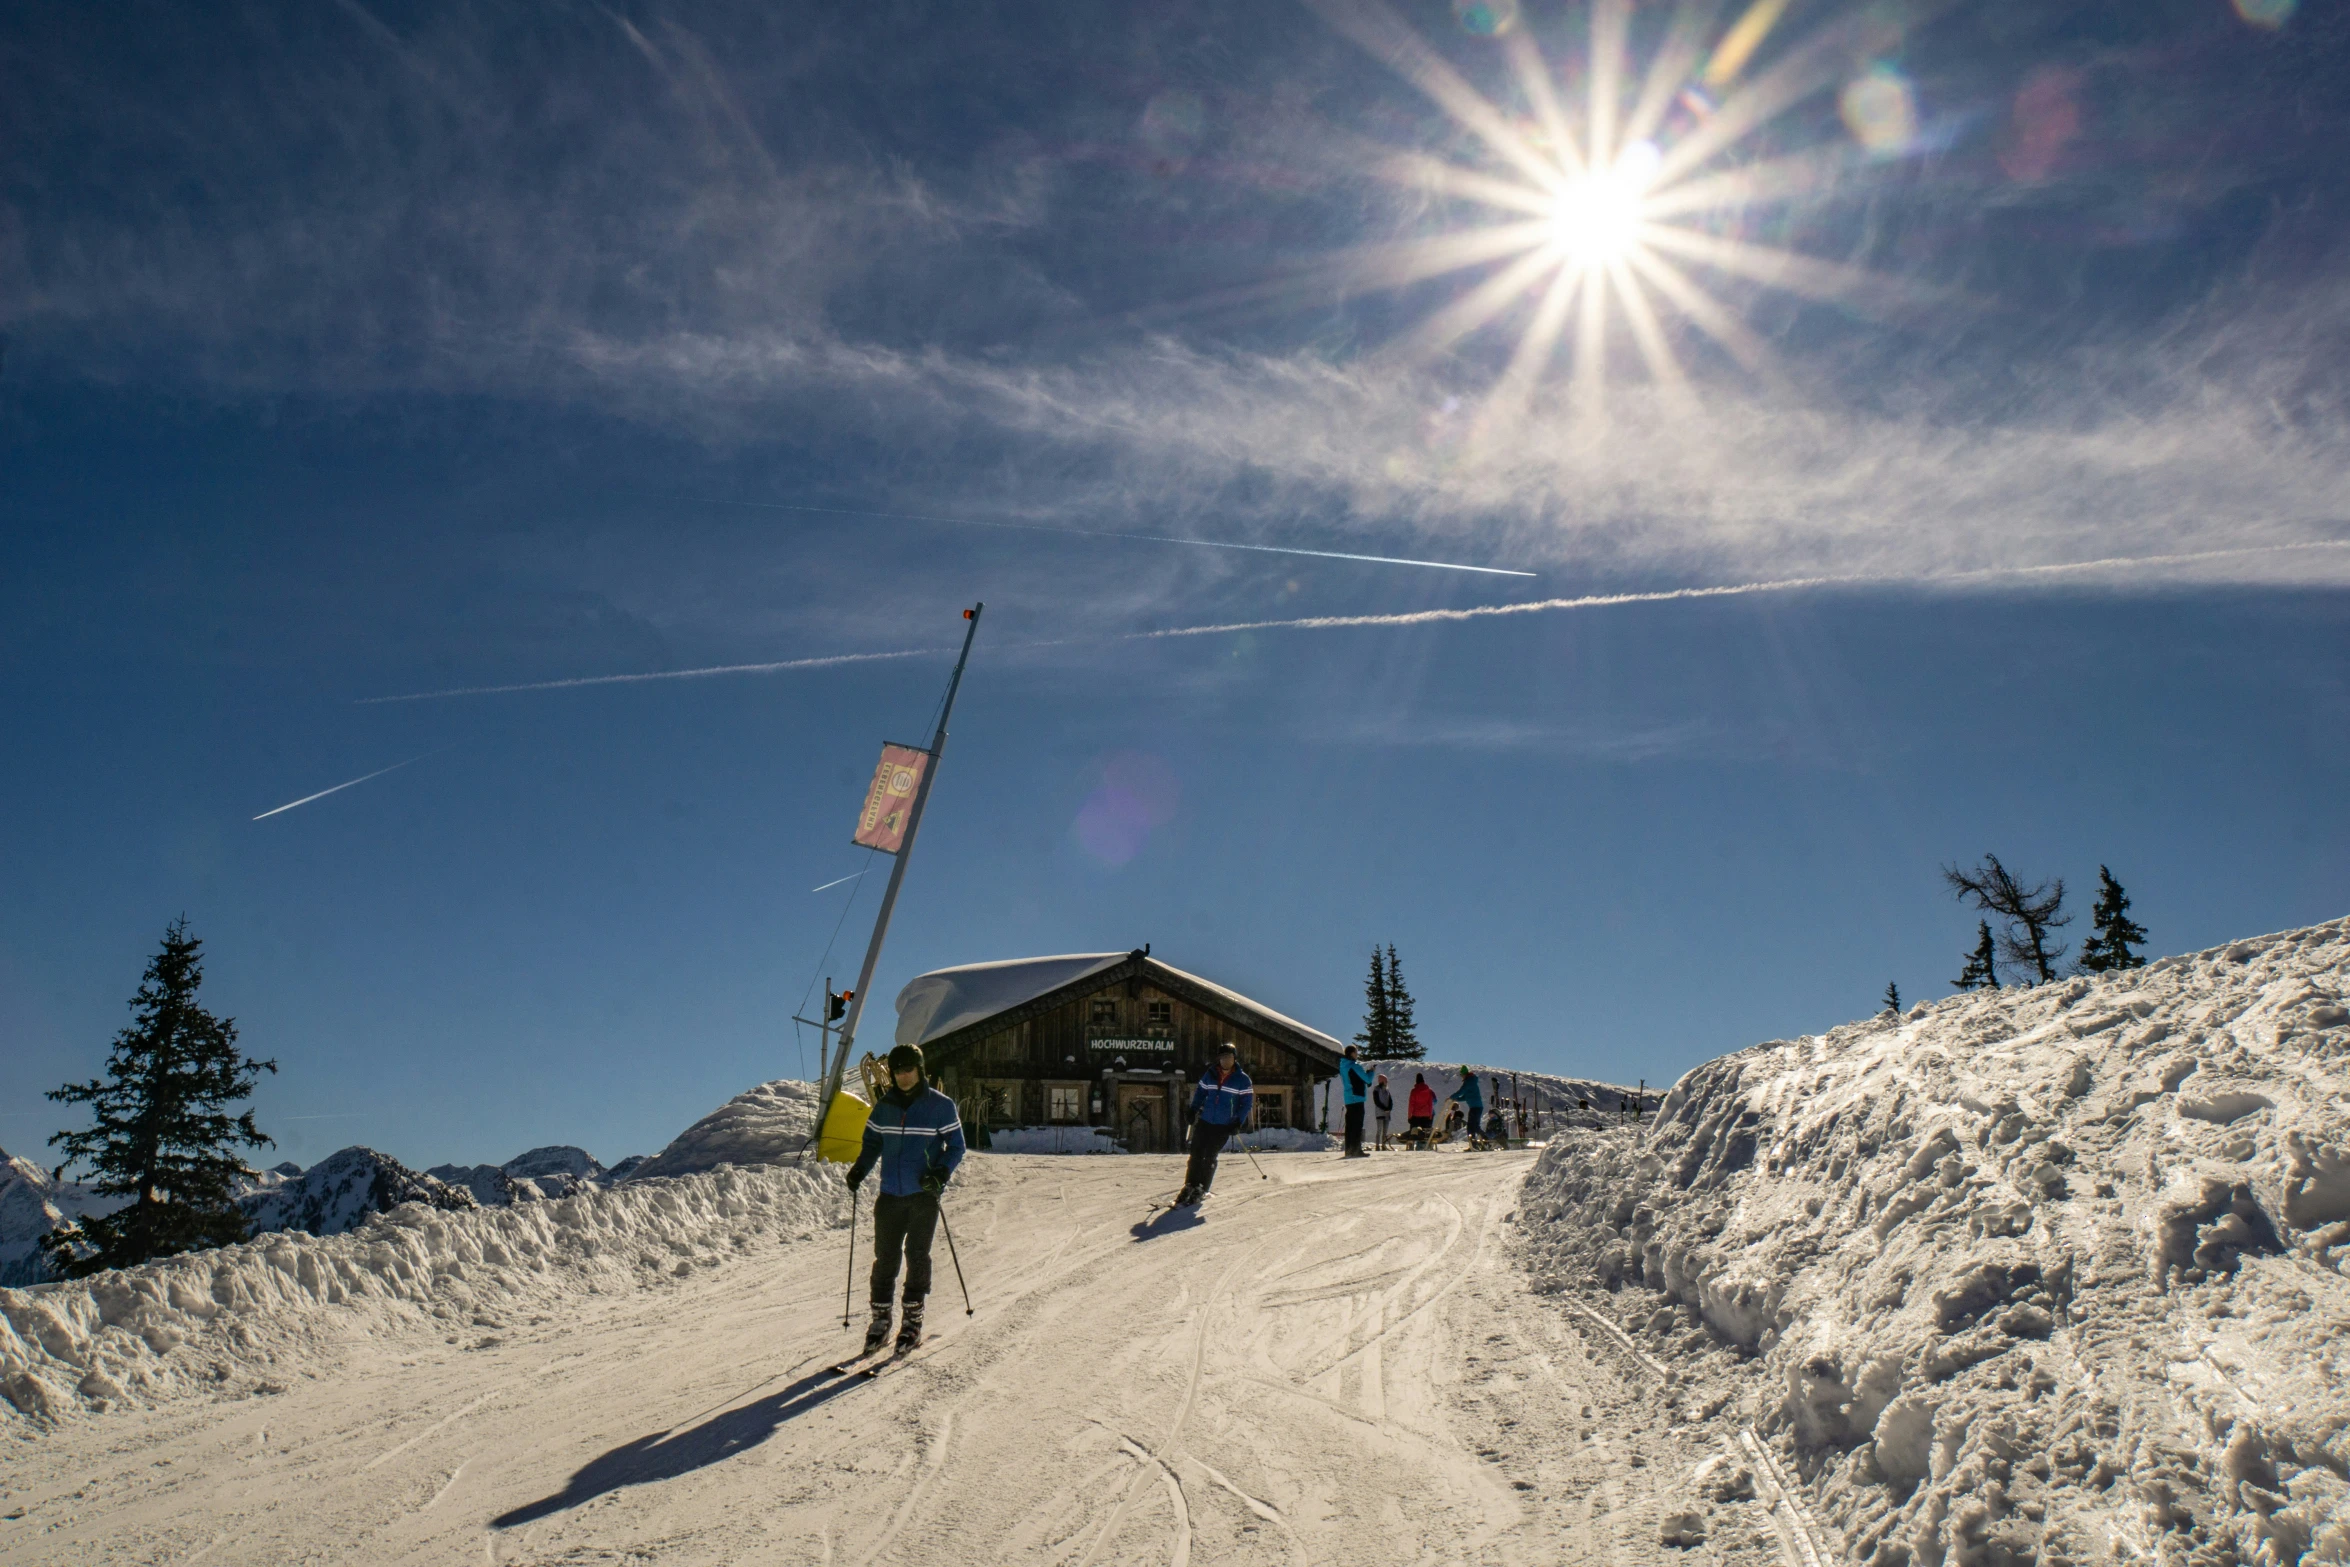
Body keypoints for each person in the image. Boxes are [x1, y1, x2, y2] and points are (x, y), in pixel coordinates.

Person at [846, 1042, 967, 1355]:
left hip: (923, 1196)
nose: (903, 1076)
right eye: (898, 1070)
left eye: (908, 1069)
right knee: (885, 1258)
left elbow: (956, 1147)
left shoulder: (940, 1106)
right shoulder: (885, 1106)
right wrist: (860, 1169)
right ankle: (881, 1321)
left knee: (916, 1254)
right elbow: (872, 1143)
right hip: (890, 1195)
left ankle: (912, 1320)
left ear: (920, 1069)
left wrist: (940, 1174)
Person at [1180, 1042, 1253, 1205]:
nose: (1226, 1061)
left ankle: (1201, 1188)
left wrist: (1237, 1122)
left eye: (1229, 1058)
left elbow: (1246, 1104)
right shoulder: (1210, 1074)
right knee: (1196, 1153)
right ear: (1218, 1059)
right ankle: (1189, 1185)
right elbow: (1200, 1093)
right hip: (1206, 1121)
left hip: (1223, 1125)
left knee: (1209, 1155)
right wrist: (1193, 1110)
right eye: (1223, 1058)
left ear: (1234, 1059)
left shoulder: (1242, 1080)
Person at [1339, 1046, 1374, 1158]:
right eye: (1356, 1052)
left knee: (1349, 1125)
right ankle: (1356, 1150)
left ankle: (1349, 1150)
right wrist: (1371, 1072)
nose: (1357, 1054)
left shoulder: (1343, 1066)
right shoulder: (1354, 1066)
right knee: (1357, 1124)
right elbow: (1367, 1079)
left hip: (1348, 1098)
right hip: (1357, 1097)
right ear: (1352, 1054)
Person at [1447, 1071, 1483, 1148]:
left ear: (1465, 1074)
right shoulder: (1471, 1082)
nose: (1461, 1076)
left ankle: (1482, 1140)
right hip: (1475, 1107)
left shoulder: (1469, 1082)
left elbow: (1461, 1092)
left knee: (1473, 1126)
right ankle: (1474, 1144)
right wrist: (1455, 1099)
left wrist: (1451, 1097)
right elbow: (1465, 1097)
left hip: (1476, 1107)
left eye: (1461, 1075)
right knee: (1472, 1126)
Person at [1406, 1072, 1436, 1148]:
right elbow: (1430, 1104)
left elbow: (1411, 1105)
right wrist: (1430, 1115)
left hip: (1416, 1115)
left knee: (1413, 1131)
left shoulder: (1414, 1091)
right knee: (1425, 1132)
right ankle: (1423, 1146)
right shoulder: (1429, 1091)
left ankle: (1411, 1145)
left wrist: (1409, 1116)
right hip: (1426, 1115)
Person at [1371, 1073, 1394, 1150]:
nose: (1386, 1082)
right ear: (1382, 1081)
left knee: (1385, 1130)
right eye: (1385, 1081)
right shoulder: (1376, 1090)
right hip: (1380, 1113)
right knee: (1379, 1130)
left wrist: (1389, 1108)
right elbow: (1377, 1101)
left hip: (1387, 1114)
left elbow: (1390, 1101)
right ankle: (1377, 1145)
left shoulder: (1387, 1090)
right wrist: (1385, 1109)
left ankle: (1383, 1145)